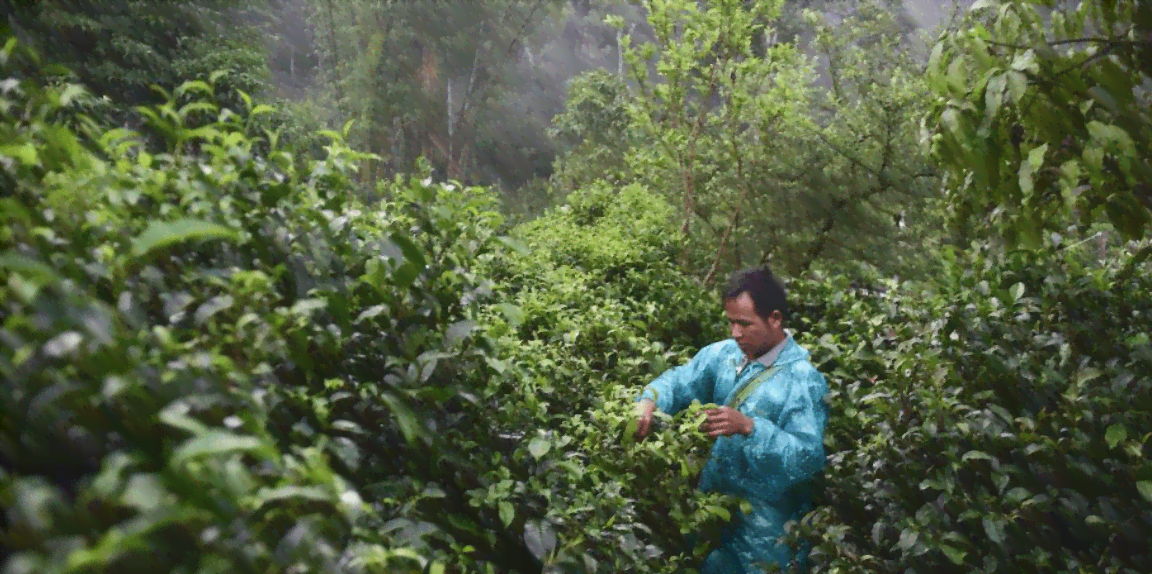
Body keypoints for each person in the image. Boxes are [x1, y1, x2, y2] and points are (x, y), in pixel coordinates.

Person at [634, 266, 829, 574]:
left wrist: (750, 427)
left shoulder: (803, 380)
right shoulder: (725, 355)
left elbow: (808, 457)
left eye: (744, 324)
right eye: (731, 323)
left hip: (766, 537)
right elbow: (681, 380)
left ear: (775, 319)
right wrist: (648, 400)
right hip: (713, 514)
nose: (735, 333)